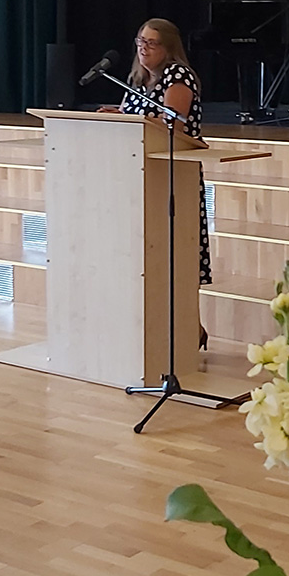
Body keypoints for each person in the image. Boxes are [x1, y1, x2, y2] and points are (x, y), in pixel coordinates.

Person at [105, 18, 211, 349]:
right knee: (148, 256)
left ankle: (189, 329)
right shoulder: (137, 79)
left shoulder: (178, 76)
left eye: (151, 43)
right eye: (140, 41)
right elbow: (135, 121)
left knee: (178, 254)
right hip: (139, 177)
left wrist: (129, 118)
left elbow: (172, 125)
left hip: (173, 176)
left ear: (168, 48)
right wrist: (116, 116)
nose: (143, 48)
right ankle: (156, 331)